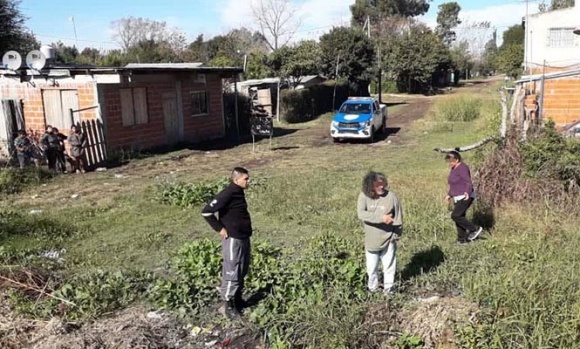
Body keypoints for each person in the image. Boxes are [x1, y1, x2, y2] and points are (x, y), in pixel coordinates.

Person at [201, 167, 252, 319]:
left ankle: (237, 300)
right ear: (236, 180)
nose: (248, 181)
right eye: (246, 179)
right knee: (232, 269)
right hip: (233, 239)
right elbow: (206, 211)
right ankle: (228, 306)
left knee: (242, 268)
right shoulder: (228, 193)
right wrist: (219, 228)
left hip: (243, 236)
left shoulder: (238, 192)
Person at [357, 171, 403, 294]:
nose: (381, 187)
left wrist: (396, 234)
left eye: (383, 184)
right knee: (371, 268)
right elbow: (361, 214)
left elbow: (398, 217)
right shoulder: (363, 196)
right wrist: (381, 218)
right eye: (378, 185)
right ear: (370, 186)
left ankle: (389, 290)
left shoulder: (391, 197)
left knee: (389, 267)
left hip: (388, 239)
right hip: (371, 240)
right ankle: (372, 290)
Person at [443, 151, 483, 244]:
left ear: (457, 159)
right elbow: (453, 184)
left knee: (455, 215)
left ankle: (475, 229)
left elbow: (468, 181)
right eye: (448, 161)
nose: (449, 163)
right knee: (459, 217)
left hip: (465, 196)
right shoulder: (454, 169)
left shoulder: (462, 168)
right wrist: (449, 195)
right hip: (457, 196)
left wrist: (467, 192)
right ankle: (462, 240)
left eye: (451, 161)